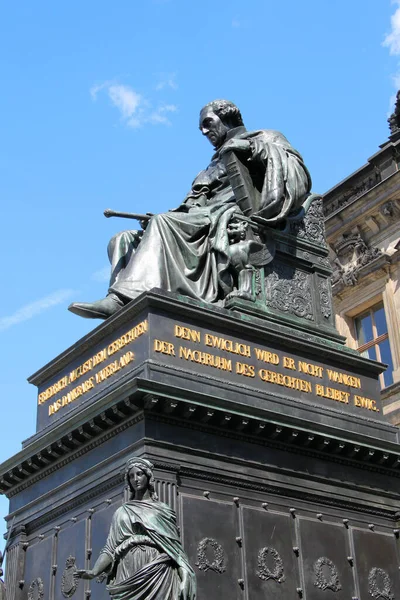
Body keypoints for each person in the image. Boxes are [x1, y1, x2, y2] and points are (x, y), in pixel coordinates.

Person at [69, 100, 311, 319]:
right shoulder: (208, 168)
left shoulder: (264, 137)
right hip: (198, 221)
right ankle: (126, 308)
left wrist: (251, 149)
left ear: (227, 117)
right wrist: (168, 216)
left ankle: (122, 298)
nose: (205, 132)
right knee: (123, 240)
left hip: (226, 218)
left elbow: (296, 173)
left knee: (163, 224)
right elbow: (193, 204)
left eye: (208, 123)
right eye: (201, 128)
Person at [75, 457, 196, 600]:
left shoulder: (162, 510)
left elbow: (175, 550)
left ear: (148, 477)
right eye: (131, 476)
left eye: (139, 474)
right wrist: (94, 571)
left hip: (157, 570)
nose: (135, 479)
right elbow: (110, 547)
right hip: (127, 570)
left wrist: (185, 575)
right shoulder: (122, 512)